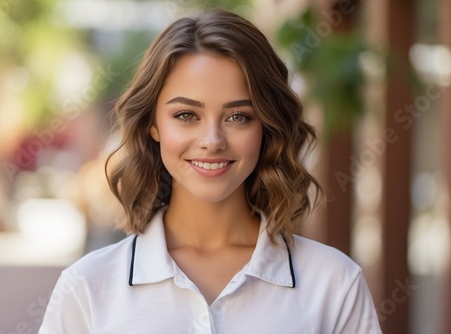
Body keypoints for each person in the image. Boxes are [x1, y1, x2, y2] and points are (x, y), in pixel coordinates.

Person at [39, 9, 381, 333]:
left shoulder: (335, 284)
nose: (213, 140)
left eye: (239, 117)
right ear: (153, 125)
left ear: (267, 128)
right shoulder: (86, 287)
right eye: (186, 115)